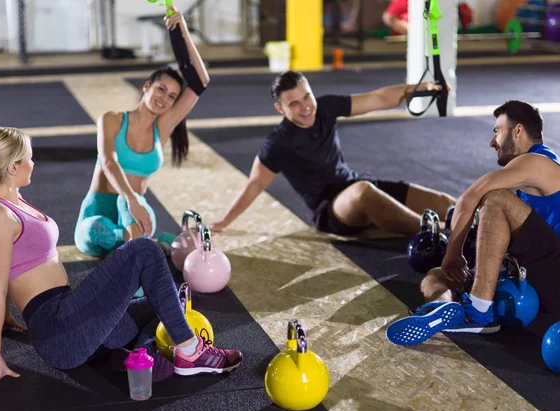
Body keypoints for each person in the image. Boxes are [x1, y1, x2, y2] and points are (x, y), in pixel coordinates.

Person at [0, 127, 242, 388]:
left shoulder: (15, 202)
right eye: (29, 159)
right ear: (13, 167)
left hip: (77, 321)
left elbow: (15, 265)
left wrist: (7, 319)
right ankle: (190, 353)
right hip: (60, 332)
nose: (33, 164)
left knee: (169, 301)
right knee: (144, 250)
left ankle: (134, 357)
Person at [386, 100, 560, 346]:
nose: (492, 142)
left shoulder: (537, 161)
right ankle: (442, 310)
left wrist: (452, 254)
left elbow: (469, 198)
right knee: (436, 276)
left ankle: (479, 311)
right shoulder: (525, 179)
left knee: (495, 198)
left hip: (554, 275)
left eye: (497, 131)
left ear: (518, 131)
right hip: (533, 273)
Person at [208, 71, 455, 237]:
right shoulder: (278, 142)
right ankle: (442, 233)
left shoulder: (325, 108)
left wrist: (422, 89)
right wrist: (223, 223)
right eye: (293, 103)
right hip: (331, 211)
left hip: (354, 185)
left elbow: (377, 98)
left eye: (307, 96)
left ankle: (475, 221)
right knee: (364, 191)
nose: (305, 107)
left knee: (447, 203)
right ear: (279, 108)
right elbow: (254, 184)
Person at [74, 7, 208, 257]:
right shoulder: (112, 119)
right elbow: (108, 161)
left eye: (172, 96)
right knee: (96, 231)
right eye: (160, 89)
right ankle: (154, 245)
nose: (164, 99)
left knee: (127, 206)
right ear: (146, 86)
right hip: (99, 212)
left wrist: (182, 31)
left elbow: (200, 81)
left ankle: (137, 267)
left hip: (135, 214)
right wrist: (131, 198)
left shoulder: (163, 128)